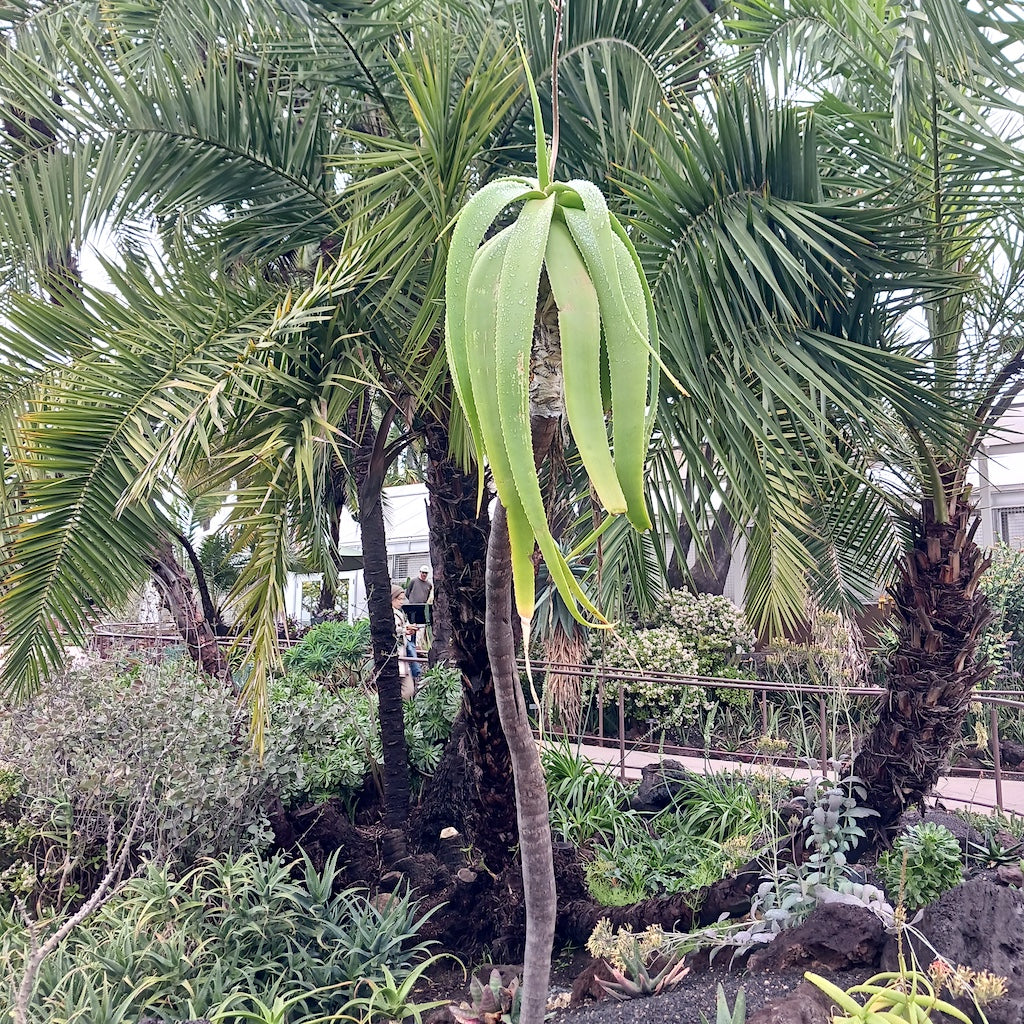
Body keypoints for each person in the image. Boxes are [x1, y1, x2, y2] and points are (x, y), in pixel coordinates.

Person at [390, 584, 420, 698]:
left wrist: (409, 630)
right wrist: (404, 631)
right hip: (395, 656)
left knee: (408, 690)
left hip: (403, 656)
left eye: (403, 599)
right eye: (399, 599)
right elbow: (391, 630)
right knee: (406, 691)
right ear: (392, 598)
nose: (401, 602)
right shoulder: (389, 614)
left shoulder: (400, 613)